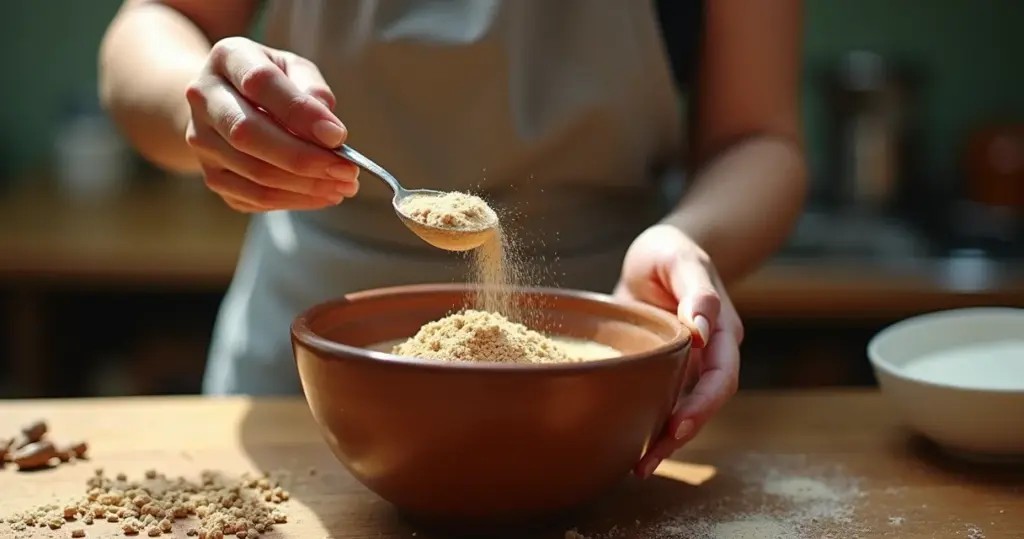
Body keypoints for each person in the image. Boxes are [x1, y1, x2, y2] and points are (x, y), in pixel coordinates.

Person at [99, 0, 806, 477]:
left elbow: (758, 137)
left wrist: (689, 238)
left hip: (599, 374)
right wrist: (207, 107)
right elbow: (152, 22)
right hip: (303, 384)